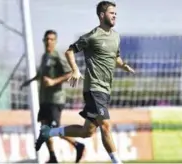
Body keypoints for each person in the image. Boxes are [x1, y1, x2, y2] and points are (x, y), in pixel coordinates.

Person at [35, 2, 135, 164]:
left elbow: (114, 56)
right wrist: (75, 70)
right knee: (106, 126)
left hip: (105, 89)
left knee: (86, 131)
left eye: (116, 13)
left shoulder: (116, 36)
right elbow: (69, 51)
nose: (115, 15)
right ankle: (117, 162)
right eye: (111, 13)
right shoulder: (93, 36)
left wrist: (122, 65)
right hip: (94, 88)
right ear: (102, 15)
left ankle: (49, 132)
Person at [20, 30, 85, 163]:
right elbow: (41, 75)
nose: (49, 42)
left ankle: (78, 145)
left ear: (55, 41)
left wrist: (54, 81)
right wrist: (29, 81)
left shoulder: (58, 56)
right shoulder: (45, 56)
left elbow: (70, 73)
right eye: (47, 39)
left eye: (51, 39)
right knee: (45, 128)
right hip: (44, 99)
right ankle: (53, 157)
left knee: (54, 128)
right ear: (44, 41)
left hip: (55, 99)